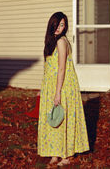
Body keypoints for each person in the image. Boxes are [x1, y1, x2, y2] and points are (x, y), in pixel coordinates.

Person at [37, 12, 89, 166]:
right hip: (51, 84)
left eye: (62, 25)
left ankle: (65, 156)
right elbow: (48, 68)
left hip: (63, 84)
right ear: (51, 24)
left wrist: (58, 92)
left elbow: (61, 69)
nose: (60, 28)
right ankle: (55, 153)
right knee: (53, 119)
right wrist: (43, 88)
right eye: (58, 24)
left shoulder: (61, 42)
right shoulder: (51, 41)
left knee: (63, 119)